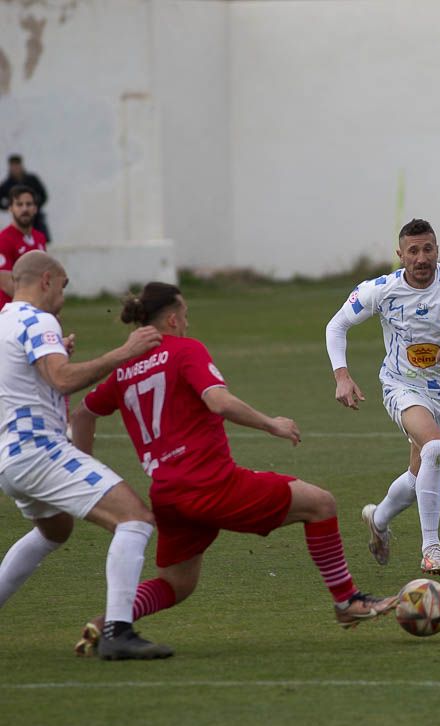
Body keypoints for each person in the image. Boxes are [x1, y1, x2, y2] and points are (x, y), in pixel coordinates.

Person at [70, 282, 400, 655]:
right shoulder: (184, 350)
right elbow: (219, 402)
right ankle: (347, 602)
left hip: (167, 493)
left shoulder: (123, 369)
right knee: (320, 503)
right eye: (187, 317)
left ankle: (110, 622)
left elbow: (83, 414)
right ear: (174, 318)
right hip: (211, 484)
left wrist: (85, 474)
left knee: (178, 583)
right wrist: (271, 424)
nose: (188, 326)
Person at [0, 252, 172, 660]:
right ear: (46, 280)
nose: (63, 296)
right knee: (135, 519)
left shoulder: (6, 319)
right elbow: (61, 378)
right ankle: (117, 631)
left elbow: (32, 378)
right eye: (63, 286)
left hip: (10, 456)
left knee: (54, 531)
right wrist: (124, 351)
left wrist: (58, 354)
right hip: (40, 450)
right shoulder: (38, 320)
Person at [325, 218, 440, 576]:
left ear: (437, 250)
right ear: (400, 255)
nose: (421, 257)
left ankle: (377, 520)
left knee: (419, 475)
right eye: (413, 251)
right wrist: (342, 376)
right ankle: (431, 549)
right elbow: (337, 325)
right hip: (400, 386)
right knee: (437, 449)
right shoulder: (381, 290)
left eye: (428, 249)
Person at [0, 185, 48, 310]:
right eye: (19, 204)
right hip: (10, 312)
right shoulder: (3, 239)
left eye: (28, 204)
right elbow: (5, 282)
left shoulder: (40, 238)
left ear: (35, 208)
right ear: (10, 208)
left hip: (35, 310)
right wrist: (37, 305)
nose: (24, 209)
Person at [0, 156, 50, 243]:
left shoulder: (32, 179)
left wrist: (35, 205)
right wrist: (8, 207)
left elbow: (43, 195)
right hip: (19, 220)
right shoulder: (7, 184)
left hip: (36, 219)